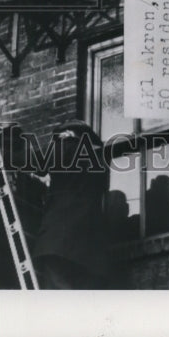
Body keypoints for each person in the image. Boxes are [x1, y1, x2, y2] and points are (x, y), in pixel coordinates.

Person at [31, 118, 111, 289]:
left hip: (60, 243)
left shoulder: (67, 146)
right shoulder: (99, 162)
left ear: (69, 134)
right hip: (91, 252)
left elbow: (31, 161)